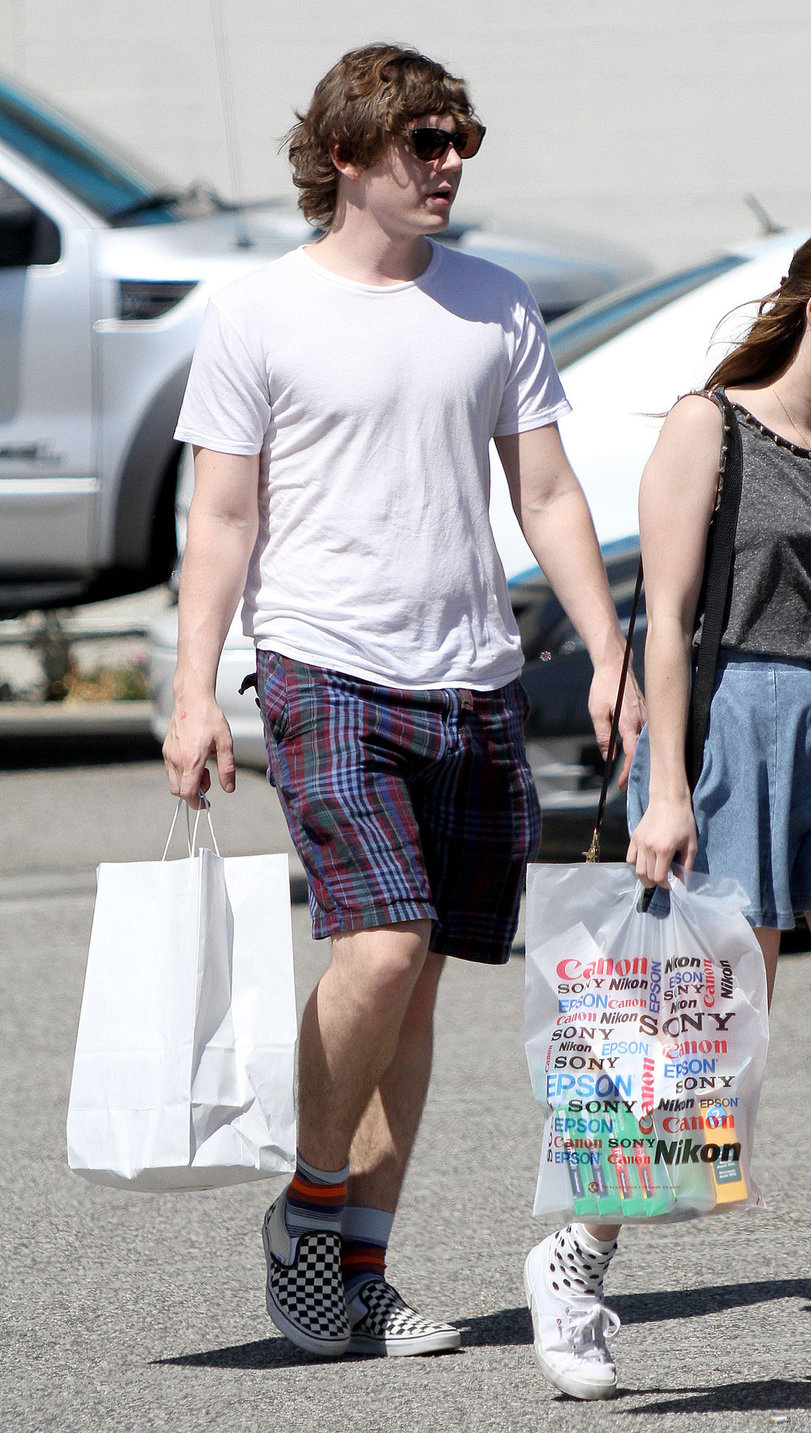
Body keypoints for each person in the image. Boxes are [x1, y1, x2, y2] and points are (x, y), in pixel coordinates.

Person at [163, 42, 641, 1361]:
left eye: (461, 140)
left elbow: (544, 494)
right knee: (377, 947)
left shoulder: (494, 303)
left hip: (471, 674)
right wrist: (195, 688)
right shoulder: (259, 313)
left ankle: (358, 1267)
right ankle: (310, 1210)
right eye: (426, 143)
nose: (449, 166)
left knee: (417, 978)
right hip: (322, 666)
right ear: (346, 156)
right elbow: (221, 514)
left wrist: (609, 652)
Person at [524, 216, 811, 1411]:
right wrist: (668, 787)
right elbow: (669, 619)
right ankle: (577, 1253)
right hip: (727, 724)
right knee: (694, 1046)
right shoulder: (709, 427)